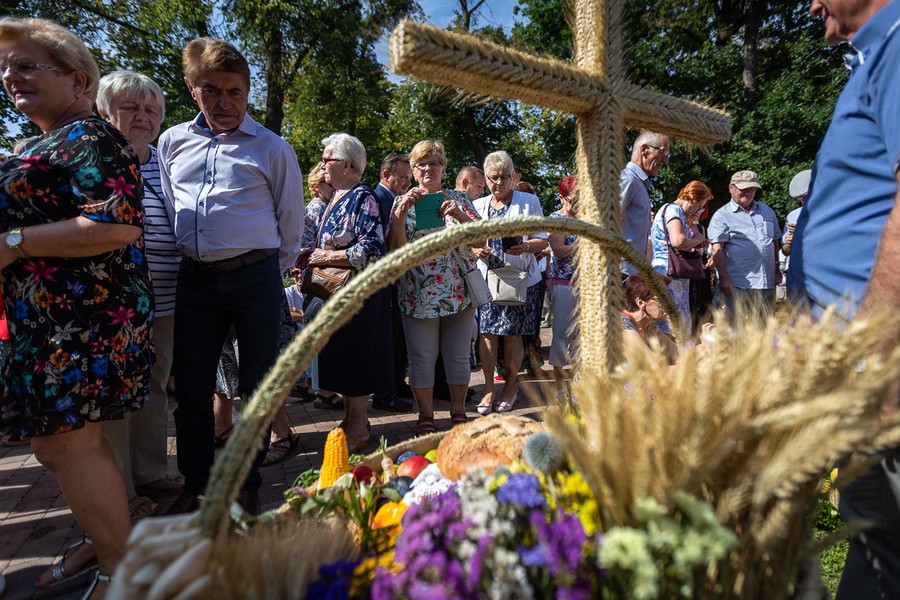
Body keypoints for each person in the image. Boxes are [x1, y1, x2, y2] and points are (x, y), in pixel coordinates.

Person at [0, 17, 154, 597]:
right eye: (6, 68)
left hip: (81, 319)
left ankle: (125, 573)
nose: (12, 77)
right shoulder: (39, 142)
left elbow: (117, 224)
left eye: (28, 64)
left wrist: (14, 244)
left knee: (66, 442)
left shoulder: (92, 136)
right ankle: (115, 556)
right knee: (57, 443)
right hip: (48, 318)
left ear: (79, 79)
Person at [158, 37, 304, 516]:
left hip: (255, 278)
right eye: (212, 90)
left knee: (257, 389)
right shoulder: (172, 142)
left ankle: (246, 478)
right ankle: (197, 484)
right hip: (195, 280)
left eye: (235, 92)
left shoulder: (272, 148)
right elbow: (169, 202)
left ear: (248, 92)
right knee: (193, 389)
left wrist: (264, 273)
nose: (224, 102)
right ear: (192, 89)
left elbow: (290, 224)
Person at [789, 0, 900, 596]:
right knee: (878, 538)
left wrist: (881, 355)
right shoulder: (873, 59)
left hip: (882, 367)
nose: (811, 4)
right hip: (860, 365)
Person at [96, 71, 184, 507]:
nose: (143, 117)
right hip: (116, 303)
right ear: (104, 112)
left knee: (154, 383)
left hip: (166, 298)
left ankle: (150, 473)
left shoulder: (165, 164)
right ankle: (121, 490)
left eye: (151, 110)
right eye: (131, 108)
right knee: (115, 393)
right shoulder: (99, 161)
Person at [387, 140, 482, 434]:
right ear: (414, 171)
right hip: (418, 295)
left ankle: (457, 414)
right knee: (421, 359)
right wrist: (400, 215)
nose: (428, 168)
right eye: (422, 164)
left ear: (444, 168)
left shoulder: (460, 199)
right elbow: (396, 252)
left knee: (457, 355)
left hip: (458, 293)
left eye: (434, 163)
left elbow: (481, 241)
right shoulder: (401, 202)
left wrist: (459, 214)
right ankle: (425, 417)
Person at [307, 133, 389, 453]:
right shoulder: (336, 198)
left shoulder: (362, 197)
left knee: (354, 361)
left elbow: (372, 247)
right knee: (339, 358)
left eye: (329, 159)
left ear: (348, 164)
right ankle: (349, 420)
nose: (323, 165)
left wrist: (325, 257)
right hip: (334, 293)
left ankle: (359, 426)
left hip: (355, 294)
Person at [472, 151, 547, 415]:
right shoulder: (479, 205)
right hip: (487, 279)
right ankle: (489, 388)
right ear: (486, 177)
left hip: (518, 279)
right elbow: (467, 240)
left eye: (505, 177)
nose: (499, 183)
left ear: (513, 177)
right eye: (494, 178)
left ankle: (511, 386)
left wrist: (526, 245)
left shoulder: (528, 201)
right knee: (487, 333)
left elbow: (543, 239)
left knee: (513, 334)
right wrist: (475, 250)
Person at [708, 170, 782, 323]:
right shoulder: (722, 216)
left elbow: (774, 242)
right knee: (735, 329)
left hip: (766, 281)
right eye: (743, 188)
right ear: (731, 188)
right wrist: (724, 278)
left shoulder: (767, 211)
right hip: (737, 284)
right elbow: (717, 249)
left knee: (764, 329)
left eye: (752, 189)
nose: (748, 192)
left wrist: (777, 269)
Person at [371, 151, 414, 412]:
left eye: (409, 177)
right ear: (386, 175)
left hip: (398, 282)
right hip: (384, 282)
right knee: (385, 339)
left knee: (397, 336)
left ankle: (397, 382)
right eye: (403, 176)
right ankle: (384, 393)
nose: (407, 182)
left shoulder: (395, 199)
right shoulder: (378, 200)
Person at [649, 180, 713, 330]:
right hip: (670, 273)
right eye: (700, 205)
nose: (700, 210)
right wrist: (697, 239)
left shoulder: (667, 209)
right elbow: (678, 241)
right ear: (694, 199)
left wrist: (694, 243)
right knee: (673, 324)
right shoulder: (674, 210)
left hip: (668, 271)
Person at [620, 131, 670, 276]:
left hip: (630, 272)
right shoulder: (628, 179)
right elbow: (605, 220)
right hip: (620, 273)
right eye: (663, 152)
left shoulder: (638, 183)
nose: (666, 160)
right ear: (644, 150)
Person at [547, 175, 580, 397]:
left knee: (582, 338)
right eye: (573, 199)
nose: (578, 204)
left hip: (587, 285)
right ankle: (559, 385)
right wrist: (582, 243)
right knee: (561, 335)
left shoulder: (587, 218)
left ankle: (578, 386)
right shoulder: (556, 219)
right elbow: (558, 249)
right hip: (563, 284)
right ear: (562, 197)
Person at [620, 274, 678, 364]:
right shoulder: (624, 327)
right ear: (641, 302)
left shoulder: (648, 326)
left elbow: (678, 355)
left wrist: (705, 346)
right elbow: (656, 371)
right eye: (662, 299)